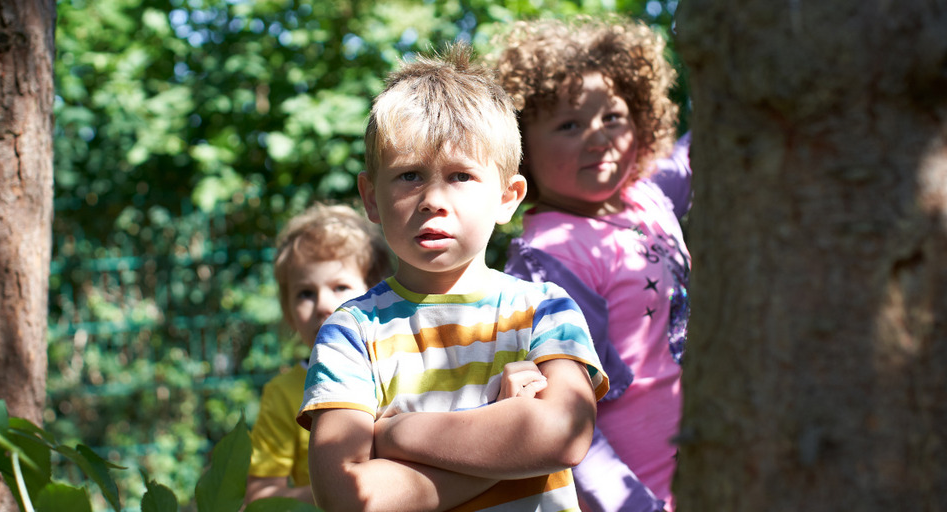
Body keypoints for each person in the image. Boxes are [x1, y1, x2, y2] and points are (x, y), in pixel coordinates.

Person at [296, 42, 610, 512]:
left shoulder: (545, 309)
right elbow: (348, 497)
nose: (432, 199)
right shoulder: (351, 332)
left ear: (509, 196)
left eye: (461, 176)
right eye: (409, 176)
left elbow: (562, 435)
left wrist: (396, 433)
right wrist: (506, 437)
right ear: (371, 198)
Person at [493, 15, 691, 512]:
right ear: (522, 150)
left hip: (706, 463)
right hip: (637, 489)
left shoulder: (644, 195)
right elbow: (563, 415)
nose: (598, 136)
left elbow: (701, 151)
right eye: (569, 124)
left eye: (613, 117)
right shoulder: (552, 257)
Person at [244, 202, 393, 506]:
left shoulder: (401, 366)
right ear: (288, 310)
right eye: (305, 293)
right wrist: (338, 493)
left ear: (376, 292)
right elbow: (259, 498)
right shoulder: (283, 393)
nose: (324, 305)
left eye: (340, 287)